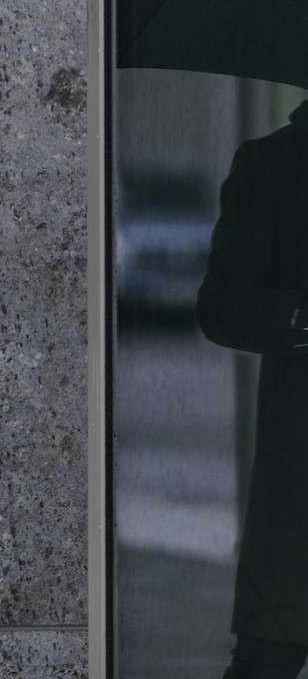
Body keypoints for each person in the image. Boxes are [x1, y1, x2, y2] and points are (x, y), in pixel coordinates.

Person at [195, 98, 308, 678]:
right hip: (300, 488)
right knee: (269, 658)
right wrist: (298, 312)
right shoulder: (273, 164)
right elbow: (219, 307)